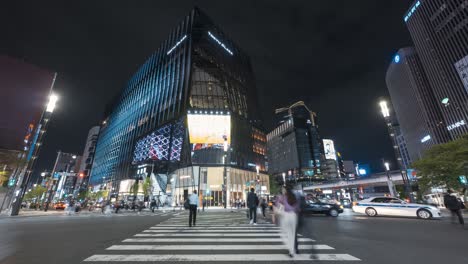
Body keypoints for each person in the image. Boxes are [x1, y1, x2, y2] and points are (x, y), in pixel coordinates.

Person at [275, 185, 300, 257]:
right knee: (292, 234)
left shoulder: (281, 197)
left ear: (285, 190)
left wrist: (276, 213)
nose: (282, 191)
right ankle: (292, 251)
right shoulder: (294, 197)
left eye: (283, 189)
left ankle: (291, 250)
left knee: (285, 234)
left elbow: (277, 207)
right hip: (294, 216)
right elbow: (298, 208)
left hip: (286, 216)